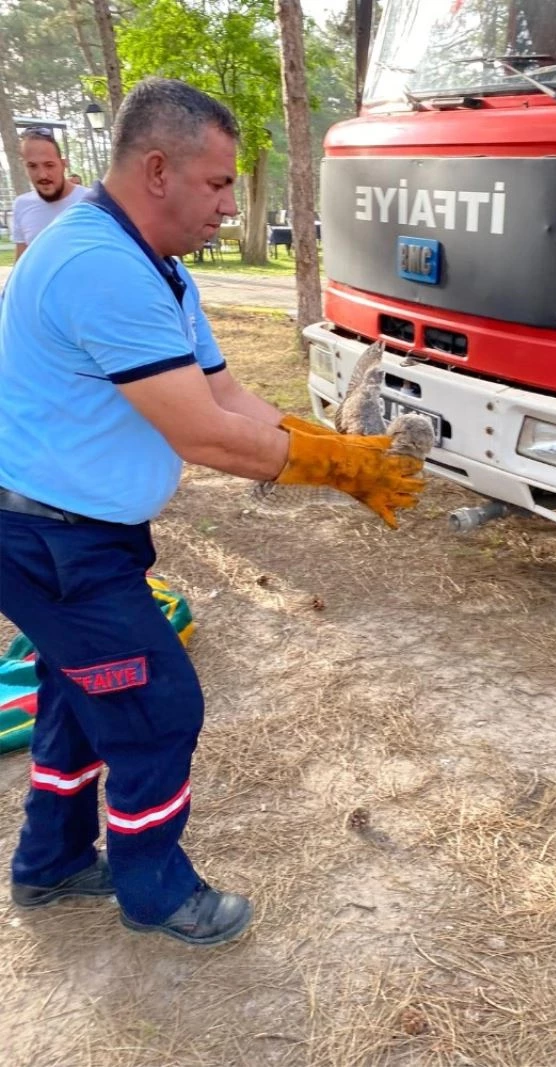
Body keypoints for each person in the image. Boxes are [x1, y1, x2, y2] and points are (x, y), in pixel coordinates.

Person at [0, 78, 424, 946]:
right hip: (47, 537)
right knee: (155, 705)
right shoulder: (99, 268)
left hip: (79, 533)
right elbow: (206, 436)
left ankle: (49, 862)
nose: (231, 205)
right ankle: (154, 889)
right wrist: (331, 465)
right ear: (158, 169)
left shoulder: (156, 268)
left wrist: (327, 450)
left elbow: (224, 393)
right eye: (220, 183)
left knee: (81, 694)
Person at [11, 129, 90, 260]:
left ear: (63, 164)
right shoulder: (22, 205)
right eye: (32, 166)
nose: (42, 175)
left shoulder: (92, 201)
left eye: (49, 165)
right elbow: (21, 264)